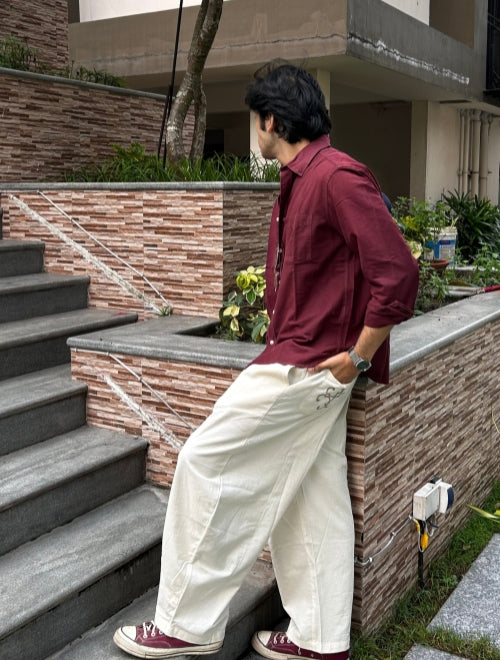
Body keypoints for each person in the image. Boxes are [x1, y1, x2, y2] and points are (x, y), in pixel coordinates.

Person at [113, 63, 419, 660]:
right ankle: (320, 641)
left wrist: (357, 359)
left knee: (204, 463)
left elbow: (398, 273)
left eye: (256, 118)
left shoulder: (335, 176)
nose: (256, 128)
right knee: (311, 499)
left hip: (307, 366)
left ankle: (185, 625)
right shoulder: (303, 177)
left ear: (271, 120)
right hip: (307, 360)